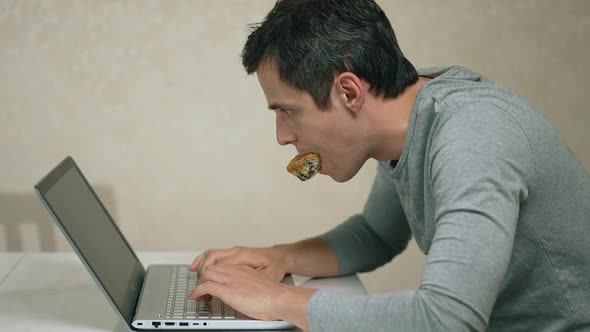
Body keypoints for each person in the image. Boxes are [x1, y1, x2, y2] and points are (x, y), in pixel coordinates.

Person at [188, 0, 590, 331]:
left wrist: (277, 299)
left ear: (348, 91)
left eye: (287, 111)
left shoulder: (472, 134)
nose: (282, 136)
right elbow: (376, 235)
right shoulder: (410, 115)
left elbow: (447, 320)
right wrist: (279, 258)